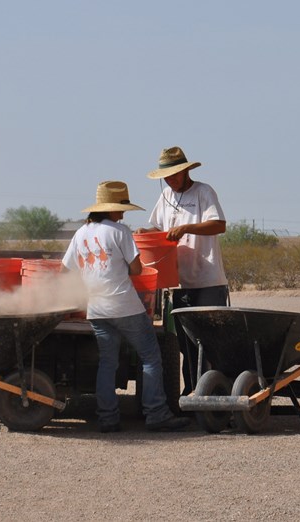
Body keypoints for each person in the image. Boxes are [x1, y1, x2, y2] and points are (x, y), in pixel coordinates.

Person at [62, 181, 190, 433]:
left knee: (107, 362)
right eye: (121, 207)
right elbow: (137, 269)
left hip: (96, 309)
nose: (123, 212)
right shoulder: (120, 231)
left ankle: (108, 419)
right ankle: (156, 414)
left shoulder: (81, 234)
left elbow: (65, 269)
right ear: (111, 209)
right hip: (124, 306)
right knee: (151, 357)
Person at [138, 146, 229, 396]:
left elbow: (219, 225)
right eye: (166, 177)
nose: (170, 180)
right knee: (186, 343)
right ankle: (192, 391)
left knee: (212, 340)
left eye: (175, 175)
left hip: (207, 279)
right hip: (179, 281)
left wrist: (187, 228)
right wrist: (145, 233)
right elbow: (157, 229)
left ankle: (216, 392)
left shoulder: (203, 192)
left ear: (186, 171)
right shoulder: (165, 196)